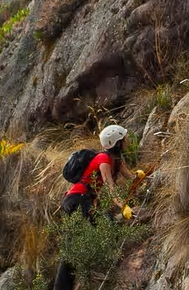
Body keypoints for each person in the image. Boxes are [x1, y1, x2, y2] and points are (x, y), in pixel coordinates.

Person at [53, 124, 143, 290]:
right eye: (124, 138)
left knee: (78, 240)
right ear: (116, 142)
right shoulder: (103, 160)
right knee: (103, 224)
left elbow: (131, 178)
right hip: (76, 200)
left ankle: (68, 282)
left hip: (81, 200)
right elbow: (111, 189)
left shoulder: (116, 160)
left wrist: (140, 177)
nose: (128, 140)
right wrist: (124, 207)